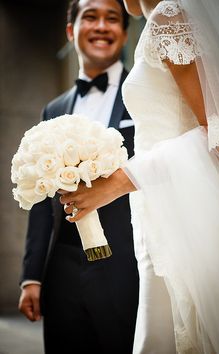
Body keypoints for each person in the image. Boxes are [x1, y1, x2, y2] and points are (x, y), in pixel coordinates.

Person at [60, 0, 219, 353]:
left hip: (185, 212)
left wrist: (119, 182)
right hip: (158, 208)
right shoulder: (163, 21)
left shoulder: (169, 16)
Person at [18, 1, 139, 353]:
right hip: (63, 271)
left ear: (124, 33)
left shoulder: (144, 95)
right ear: (71, 31)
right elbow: (42, 200)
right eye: (90, 17)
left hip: (129, 266)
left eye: (112, 18)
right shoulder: (53, 109)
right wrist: (32, 276)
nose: (101, 26)